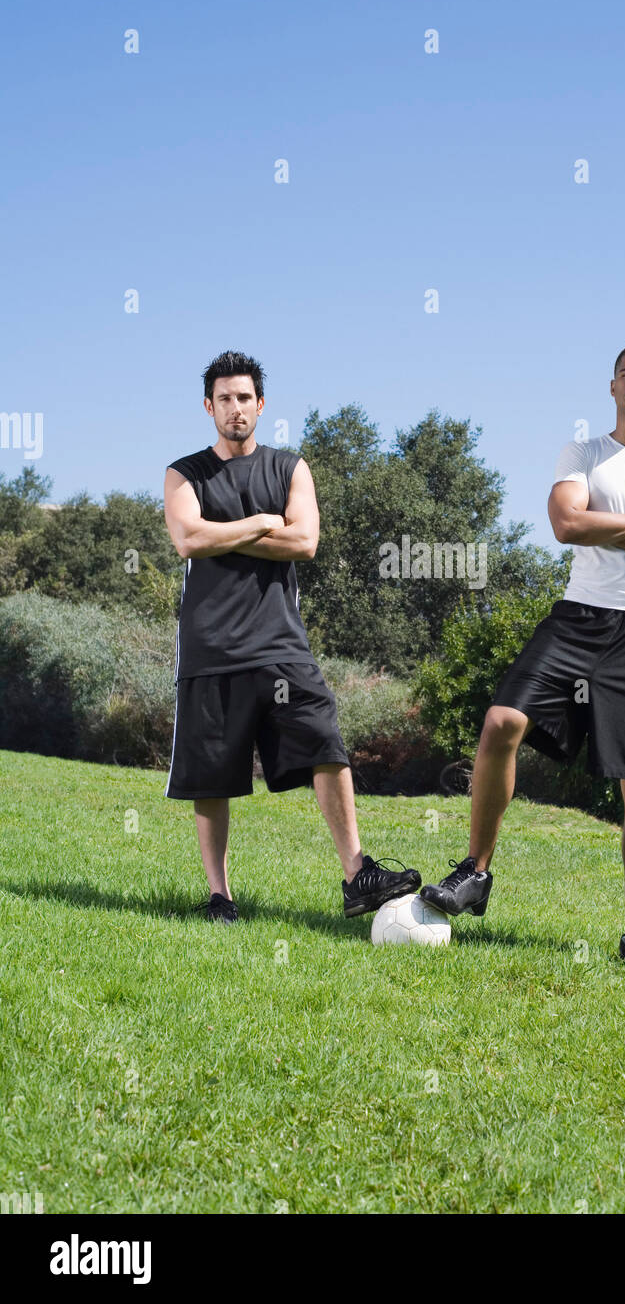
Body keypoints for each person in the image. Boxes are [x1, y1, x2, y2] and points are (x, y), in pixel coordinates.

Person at [420, 343, 625, 975]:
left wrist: (607, 522)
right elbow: (565, 526)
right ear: (611, 387)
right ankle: (475, 872)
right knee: (501, 722)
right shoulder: (581, 453)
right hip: (578, 617)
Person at [163, 349, 420, 923]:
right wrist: (259, 522)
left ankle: (358, 876)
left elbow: (305, 542)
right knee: (214, 775)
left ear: (262, 405)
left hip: (281, 643)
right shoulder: (184, 472)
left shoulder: (288, 468)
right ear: (209, 407)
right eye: (225, 399)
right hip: (210, 646)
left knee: (323, 735)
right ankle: (219, 896)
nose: (236, 408)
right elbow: (187, 540)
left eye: (245, 398)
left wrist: (220, 533)